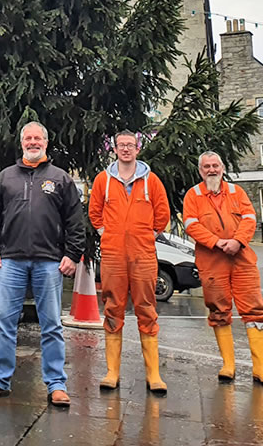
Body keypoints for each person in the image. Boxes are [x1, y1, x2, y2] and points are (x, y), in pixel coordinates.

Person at [0, 122, 84, 408]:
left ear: (46, 143)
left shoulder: (61, 179)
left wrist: (72, 254)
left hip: (49, 263)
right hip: (10, 261)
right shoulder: (5, 178)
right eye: (28, 138)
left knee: (51, 325)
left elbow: (74, 221)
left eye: (38, 138)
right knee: (5, 322)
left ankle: (56, 383)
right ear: (21, 143)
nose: (33, 142)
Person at [182, 151, 263, 386]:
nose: (212, 170)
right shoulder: (193, 195)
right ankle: (228, 365)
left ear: (222, 168)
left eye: (215, 165)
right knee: (218, 310)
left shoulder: (237, 192)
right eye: (207, 167)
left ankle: (261, 368)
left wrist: (237, 241)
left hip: (242, 258)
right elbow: (191, 225)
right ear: (200, 171)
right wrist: (217, 243)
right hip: (211, 261)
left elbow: (250, 218)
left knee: (254, 309)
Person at [88, 131, 171, 394]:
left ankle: (153, 375)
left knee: (147, 307)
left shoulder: (152, 181)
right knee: (113, 308)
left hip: (143, 255)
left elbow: (163, 214)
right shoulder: (103, 180)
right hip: (113, 255)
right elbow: (94, 212)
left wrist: (146, 236)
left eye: (130, 145)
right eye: (121, 145)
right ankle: (112, 372)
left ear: (138, 149)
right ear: (114, 149)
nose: (125, 149)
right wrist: (108, 234)